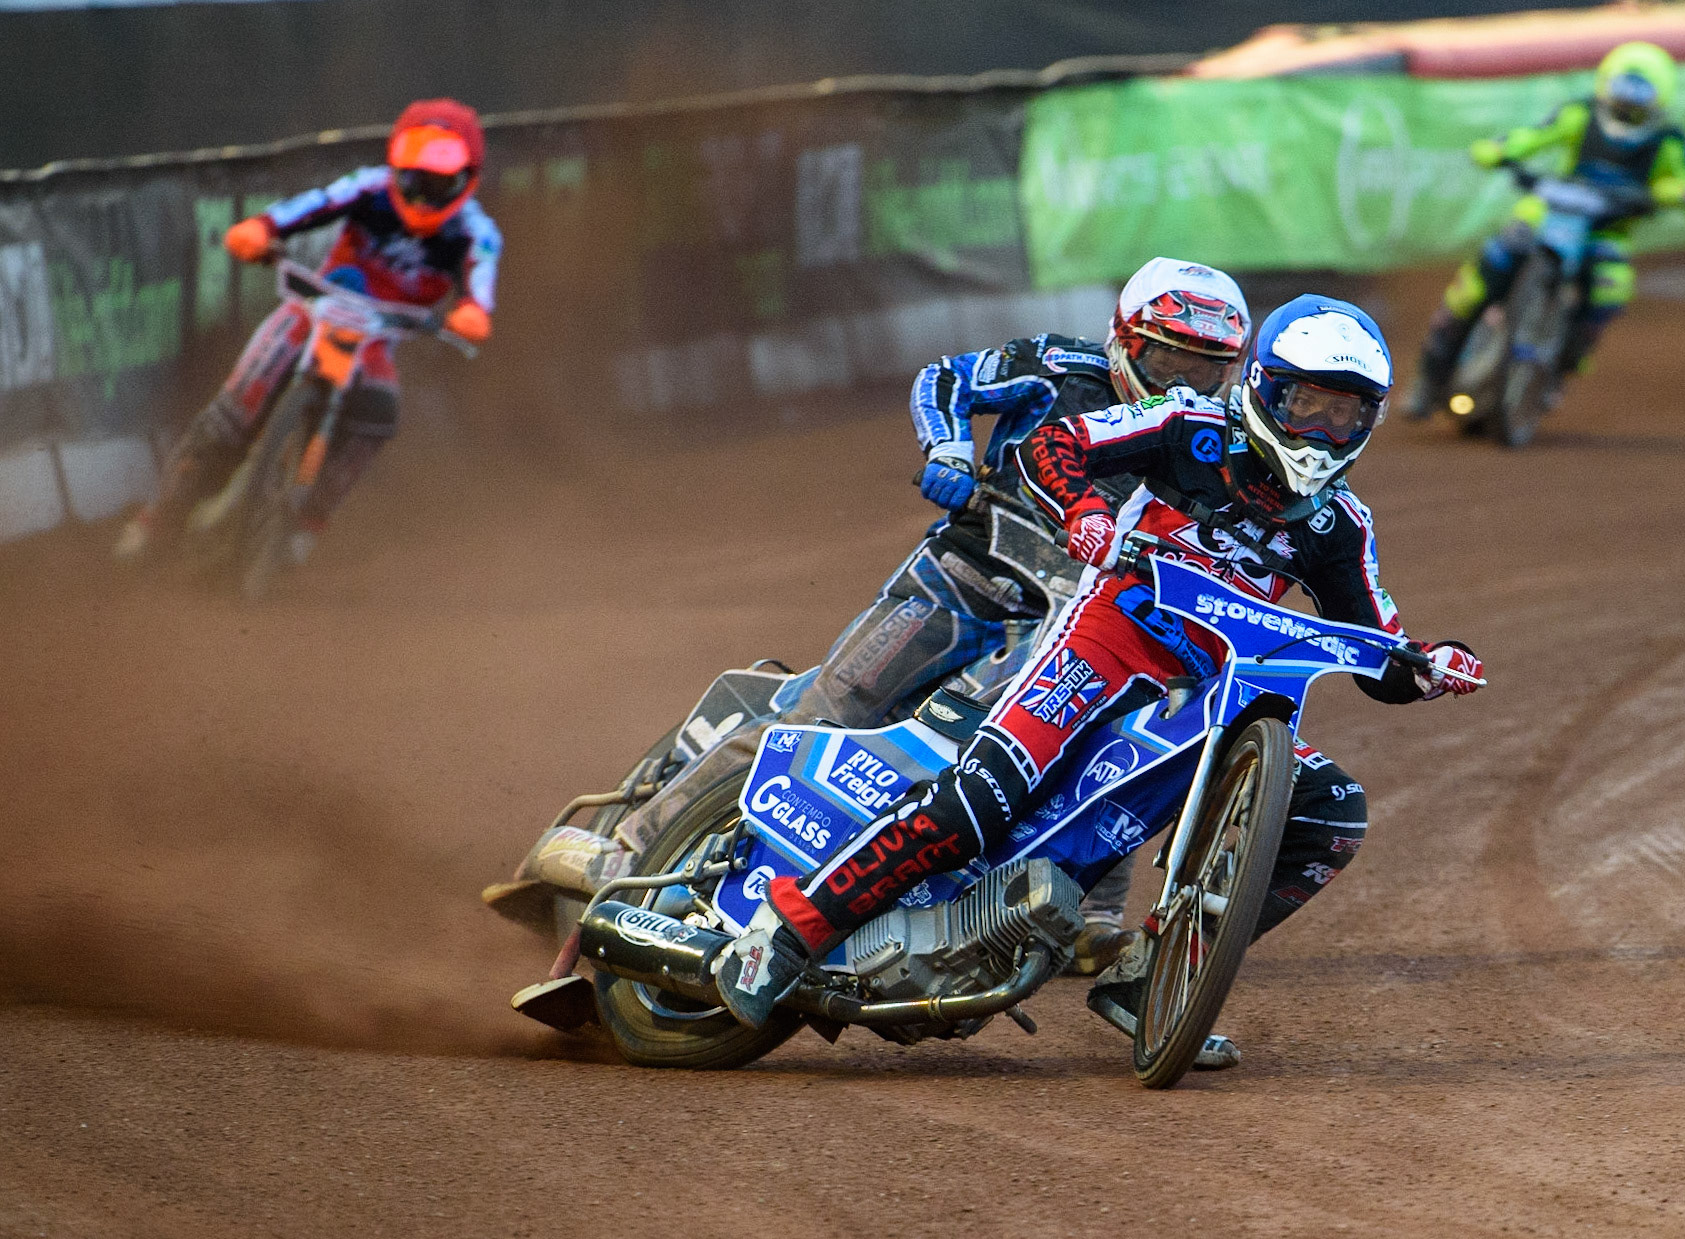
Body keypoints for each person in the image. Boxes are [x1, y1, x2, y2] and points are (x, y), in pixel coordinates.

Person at [713, 295, 1484, 1050]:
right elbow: (1053, 447)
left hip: (1209, 697)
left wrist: (1428, 665)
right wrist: (1083, 510)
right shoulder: (1187, 425)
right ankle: (788, 930)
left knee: (1333, 811)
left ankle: (1151, 979)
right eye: (1308, 403)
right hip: (1103, 641)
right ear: (1262, 387)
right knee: (979, 803)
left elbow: (1378, 650)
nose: (1322, 430)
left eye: (1345, 414)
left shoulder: (1339, 524)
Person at [528, 259, 1253, 977]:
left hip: (1066, 628)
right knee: (823, 719)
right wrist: (948, 446)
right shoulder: (1059, 366)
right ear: (1123, 339)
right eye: (1167, 358)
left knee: (1098, 737)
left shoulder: (1211, 447)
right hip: (959, 586)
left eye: (1206, 369)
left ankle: (1084, 914)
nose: (1183, 383)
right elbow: (944, 378)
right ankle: (628, 845)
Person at [114, 98, 501, 563]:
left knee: (379, 413)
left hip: (378, 338)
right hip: (315, 310)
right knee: (234, 412)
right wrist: (262, 227)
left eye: (439, 185)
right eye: (412, 181)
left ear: (468, 179)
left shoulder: (476, 232)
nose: (421, 198)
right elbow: (312, 205)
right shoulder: (368, 188)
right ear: (394, 166)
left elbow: (480, 286)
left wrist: (473, 312)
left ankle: (306, 525)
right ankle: (158, 520)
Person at [1401, 41, 1685, 419]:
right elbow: (1534, 136)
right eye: (1622, 96)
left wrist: (1679, 194)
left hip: (1606, 233)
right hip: (1547, 216)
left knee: (1610, 289)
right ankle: (1428, 380)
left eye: (1638, 101)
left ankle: (1557, 373)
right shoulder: (1579, 115)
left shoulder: (1668, 142)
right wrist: (1501, 151)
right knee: (1477, 282)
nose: (1627, 108)